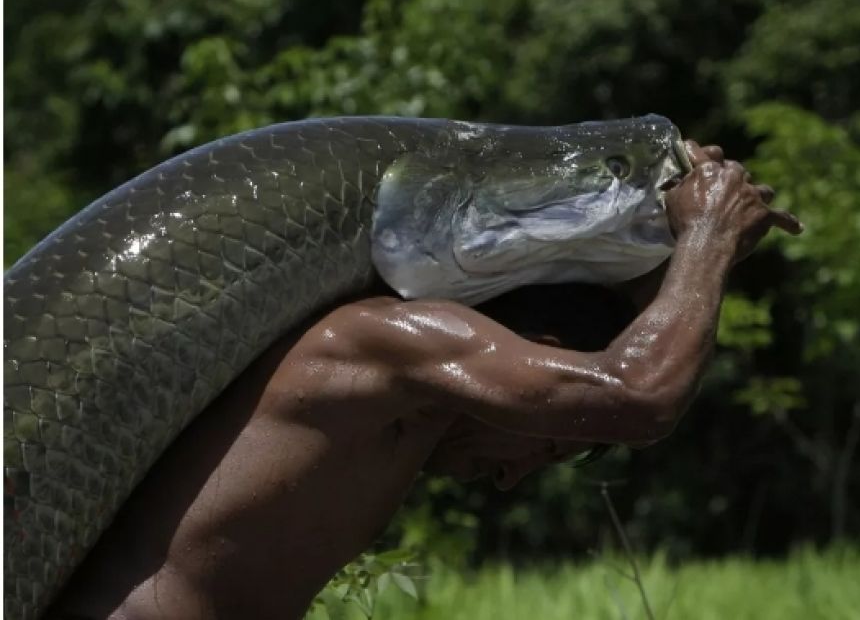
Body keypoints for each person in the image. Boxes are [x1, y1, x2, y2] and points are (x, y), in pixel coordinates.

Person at [49, 141, 802, 619]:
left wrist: (698, 239)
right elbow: (636, 392)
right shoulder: (380, 340)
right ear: (525, 347)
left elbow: (631, 327)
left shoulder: (410, 398)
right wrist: (707, 233)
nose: (511, 481)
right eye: (544, 448)